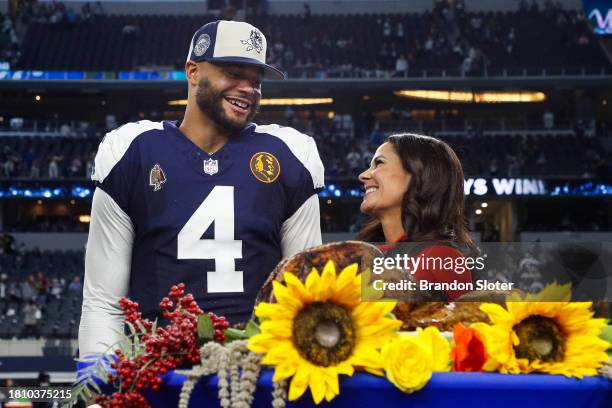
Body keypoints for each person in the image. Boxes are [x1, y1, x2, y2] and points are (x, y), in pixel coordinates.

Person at [79, 20, 324, 357]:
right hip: (158, 372)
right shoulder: (132, 150)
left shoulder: (291, 154)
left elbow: (306, 297)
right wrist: (98, 388)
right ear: (193, 72)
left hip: (257, 371)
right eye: (233, 73)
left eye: (255, 81)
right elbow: (104, 302)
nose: (248, 89)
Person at [357, 133, 475, 300]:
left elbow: (458, 324)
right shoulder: (374, 255)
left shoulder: (442, 257)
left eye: (379, 163)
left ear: (418, 176)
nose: (363, 175)